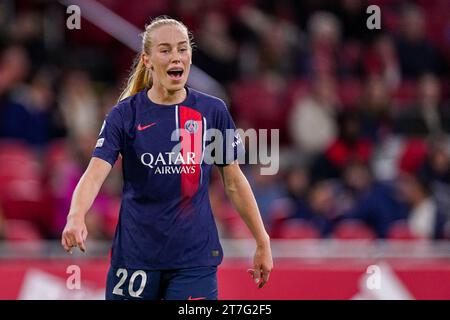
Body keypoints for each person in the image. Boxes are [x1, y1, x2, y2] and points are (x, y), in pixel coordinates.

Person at [61, 16, 273, 300]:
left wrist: (262, 240)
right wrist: (76, 216)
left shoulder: (212, 111)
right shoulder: (125, 115)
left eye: (182, 49)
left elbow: (233, 181)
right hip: (135, 259)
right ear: (147, 60)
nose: (176, 57)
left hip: (194, 261)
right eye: (165, 50)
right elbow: (95, 173)